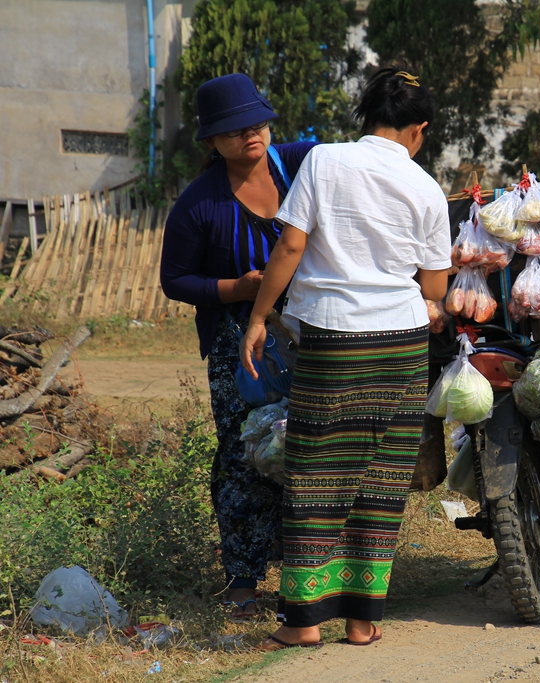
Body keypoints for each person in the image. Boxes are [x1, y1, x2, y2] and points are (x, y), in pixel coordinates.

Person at [239, 67, 450, 650]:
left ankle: (304, 622)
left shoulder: (324, 161)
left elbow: (290, 244)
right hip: (402, 345)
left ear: (367, 117)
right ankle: (361, 622)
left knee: (315, 475)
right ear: (418, 130)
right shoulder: (427, 187)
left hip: (335, 339)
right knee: (381, 480)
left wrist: (259, 317)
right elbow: (433, 288)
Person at [160, 73, 318, 621]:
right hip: (239, 345)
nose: (249, 136)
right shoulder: (198, 204)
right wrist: (240, 289)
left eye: (256, 123)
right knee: (245, 451)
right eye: (233, 131)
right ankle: (244, 583)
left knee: (316, 446)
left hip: (312, 327)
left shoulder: (302, 163)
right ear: (212, 143)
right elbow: (175, 280)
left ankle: (312, 574)